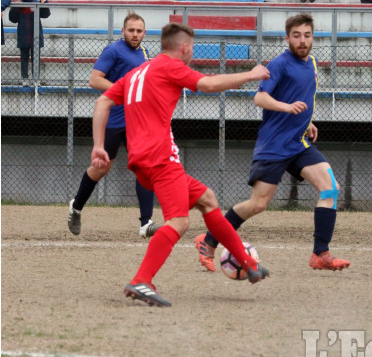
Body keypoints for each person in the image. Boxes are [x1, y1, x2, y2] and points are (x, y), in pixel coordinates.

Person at [91, 23, 271, 307]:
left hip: (142, 159)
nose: (192, 53)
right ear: (185, 47)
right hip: (161, 158)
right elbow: (209, 84)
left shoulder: (137, 72)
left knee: (207, 200)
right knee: (179, 221)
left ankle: (248, 263)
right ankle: (142, 279)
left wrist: (99, 146)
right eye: (193, 48)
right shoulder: (169, 66)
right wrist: (252, 73)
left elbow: (102, 101)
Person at [193, 13, 351, 273]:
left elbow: (301, 96)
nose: (302, 40)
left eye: (307, 35)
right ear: (287, 38)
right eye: (297, 35)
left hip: (299, 143)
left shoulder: (312, 62)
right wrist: (287, 108)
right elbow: (261, 98)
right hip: (275, 146)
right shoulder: (279, 64)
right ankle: (208, 240)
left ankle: (320, 254)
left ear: (313, 37)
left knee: (330, 189)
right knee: (258, 204)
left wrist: (307, 121)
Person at [67, 12, 160, 239]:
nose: (135, 34)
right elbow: (95, 79)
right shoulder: (113, 50)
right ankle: (76, 207)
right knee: (102, 168)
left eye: (139, 31)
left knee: (144, 168)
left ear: (145, 33)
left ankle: (146, 223)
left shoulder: (145, 53)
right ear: (123, 31)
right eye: (131, 30)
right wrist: (123, 91)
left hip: (136, 121)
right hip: (113, 120)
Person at [8, 0, 50, 86]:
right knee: (24, 58)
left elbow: (45, 15)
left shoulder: (36, 3)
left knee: (36, 59)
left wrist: (44, 3)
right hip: (23, 36)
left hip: (35, 36)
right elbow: (12, 19)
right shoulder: (18, 5)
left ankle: (36, 79)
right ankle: (24, 78)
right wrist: (15, 7)